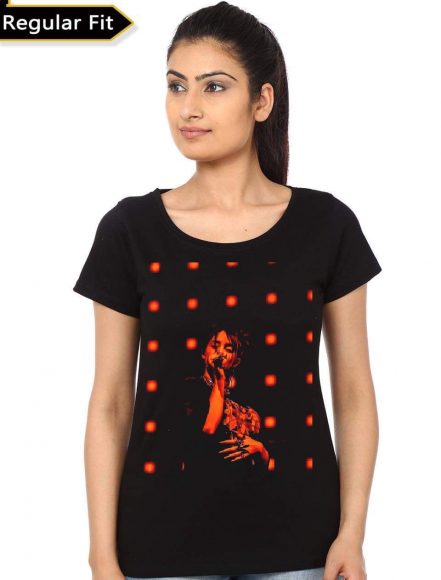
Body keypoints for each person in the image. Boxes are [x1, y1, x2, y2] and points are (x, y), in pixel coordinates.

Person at [72, 2, 381, 580]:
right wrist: (101, 554)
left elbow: (354, 393)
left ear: (262, 101)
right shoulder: (129, 230)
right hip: (159, 547)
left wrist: (352, 532)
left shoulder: (327, 225)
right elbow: (110, 402)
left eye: (213, 87)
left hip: (302, 545)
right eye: (176, 86)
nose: (188, 107)